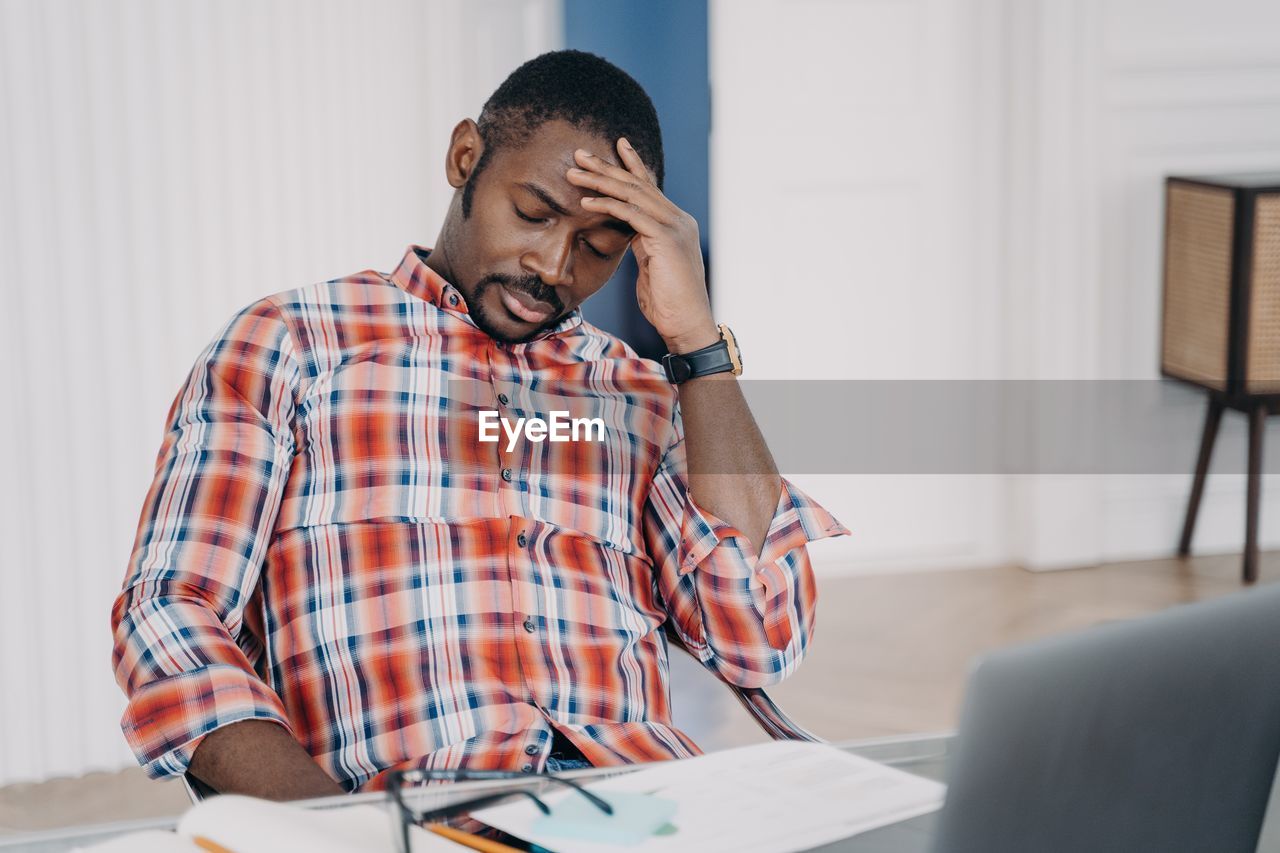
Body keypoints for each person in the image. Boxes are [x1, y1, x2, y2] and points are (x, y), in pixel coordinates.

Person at [111, 50, 847, 801]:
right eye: (534, 213)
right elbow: (170, 613)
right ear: (465, 157)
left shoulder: (641, 395)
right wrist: (330, 829)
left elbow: (761, 638)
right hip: (420, 810)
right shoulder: (293, 346)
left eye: (599, 246)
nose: (555, 265)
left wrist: (697, 346)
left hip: (645, 803)